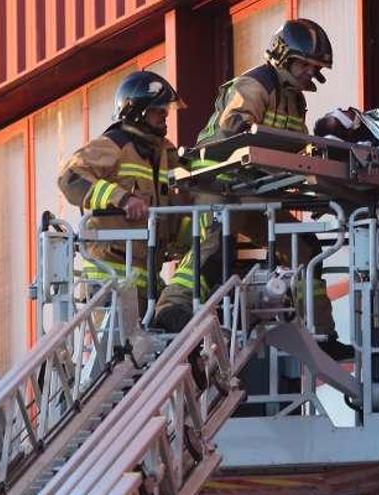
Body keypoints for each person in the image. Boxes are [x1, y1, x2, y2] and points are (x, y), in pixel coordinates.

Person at [154, 19, 353, 361]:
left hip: (256, 192)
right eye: (305, 64)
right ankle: (171, 310)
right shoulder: (255, 85)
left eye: (315, 67)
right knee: (216, 245)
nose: (309, 73)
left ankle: (321, 334)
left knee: (304, 247)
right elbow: (235, 131)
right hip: (220, 186)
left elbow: (288, 150)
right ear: (283, 58)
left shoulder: (295, 101)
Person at [57, 70, 184, 304]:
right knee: (116, 342)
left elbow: (186, 187)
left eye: (166, 110)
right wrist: (123, 199)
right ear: (138, 111)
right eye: (158, 110)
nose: (165, 115)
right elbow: (70, 177)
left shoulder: (165, 152)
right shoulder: (115, 143)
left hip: (148, 279)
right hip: (109, 279)